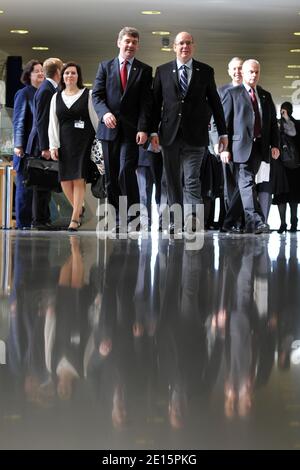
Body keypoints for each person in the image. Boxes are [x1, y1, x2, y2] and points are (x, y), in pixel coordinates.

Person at [151, 31, 227, 234]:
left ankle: (192, 218)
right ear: (174, 47)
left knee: (192, 178)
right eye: (181, 43)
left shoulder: (205, 71)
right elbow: (155, 104)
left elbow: (215, 103)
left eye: (188, 43)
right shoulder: (163, 71)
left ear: (193, 46)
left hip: (196, 136)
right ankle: (174, 219)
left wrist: (223, 133)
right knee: (172, 179)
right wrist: (151, 131)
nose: (184, 47)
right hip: (169, 135)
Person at [92, 26, 153, 232]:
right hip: (108, 131)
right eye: (127, 41)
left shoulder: (144, 70)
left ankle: (134, 217)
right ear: (119, 42)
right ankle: (117, 218)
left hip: (132, 132)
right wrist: (104, 113)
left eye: (134, 42)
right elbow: (97, 95)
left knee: (126, 172)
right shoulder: (105, 67)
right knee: (111, 177)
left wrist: (144, 128)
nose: (130, 45)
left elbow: (146, 103)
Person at [220, 59, 280, 233]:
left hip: (259, 147)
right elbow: (223, 124)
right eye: (250, 72)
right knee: (246, 182)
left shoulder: (265, 95)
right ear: (243, 74)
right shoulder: (232, 93)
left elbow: (272, 123)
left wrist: (274, 144)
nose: (254, 75)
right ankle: (256, 220)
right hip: (239, 147)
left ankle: (228, 221)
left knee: (244, 185)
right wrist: (224, 148)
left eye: (256, 72)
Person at [49, 62, 98, 231]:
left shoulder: (88, 94)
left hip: (84, 141)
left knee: (78, 177)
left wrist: (99, 142)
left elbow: (95, 119)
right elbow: (52, 123)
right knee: (64, 181)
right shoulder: (56, 97)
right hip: (64, 142)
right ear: (62, 76)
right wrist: (53, 145)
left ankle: (74, 218)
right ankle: (80, 208)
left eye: (73, 73)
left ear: (78, 76)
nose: (70, 76)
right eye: (67, 73)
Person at [26, 57, 63, 230]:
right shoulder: (47, 90)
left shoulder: (48, 88)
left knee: (45, 183)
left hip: (43, 143)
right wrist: (45, 147)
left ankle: (43, 218)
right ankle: (39, 220)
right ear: (58, 72)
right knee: (41, 184)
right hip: (41, 144)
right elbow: (41, 121)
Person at [13, 59, 44, 230]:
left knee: (39, 189)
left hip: (40, 149)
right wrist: (18, 145)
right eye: (36, 71)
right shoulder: (24, 93)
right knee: (24, 189)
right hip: (25, 150)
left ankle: (37, 221)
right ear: (29, 75)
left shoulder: (45, 92)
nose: (40, 73)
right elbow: (19, 121)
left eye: (42, 70)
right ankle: (22, 224)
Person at [272, 101, 300, 233]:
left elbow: (294, 133)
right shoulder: (277, 125)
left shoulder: (296, 124)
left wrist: (287, 119)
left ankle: (293, 221)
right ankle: (284, 223)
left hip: (293, 166)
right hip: (281, 166)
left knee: (292, 196)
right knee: (282, 196)